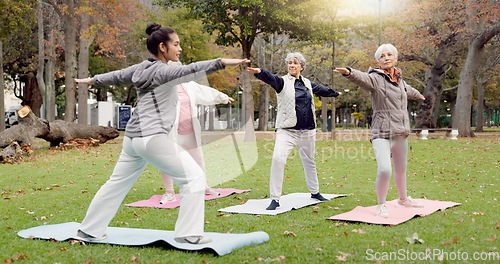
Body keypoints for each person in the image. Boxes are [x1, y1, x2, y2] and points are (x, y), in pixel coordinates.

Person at [74, 22, 250, 244]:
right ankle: (189, 234)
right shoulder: (165, 71)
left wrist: (92, 80)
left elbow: (118, 76)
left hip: (132, 139)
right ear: (162, 47)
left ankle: (89, 230)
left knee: (116, 183)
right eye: (176, 44)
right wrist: (221, 62)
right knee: (194, 178)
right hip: (153, 137)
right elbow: (192, 69)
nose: (180, 48)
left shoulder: (140, 68)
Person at [333, 43, 425, 218]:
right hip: (381, 132)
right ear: (378, 61)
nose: (386, 57)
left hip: (400, 132)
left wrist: (418, 94)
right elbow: (363, 78)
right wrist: (349, 72)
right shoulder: (375, 78)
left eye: (390, 54)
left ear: (396, 58)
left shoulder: (400, 79)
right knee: (385, 169)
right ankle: (381, 204)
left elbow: (407, 89)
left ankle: (403, 199)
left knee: (400, 170)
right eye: (382, 56)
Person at [247, 52, 341, 210]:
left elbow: (321, 90)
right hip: (287, 131)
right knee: (278, 159)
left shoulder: (308, 84)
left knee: (309, 161)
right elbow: (271, 78)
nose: (291, 65)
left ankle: (315, 192)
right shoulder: (282, 83)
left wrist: (335, 93)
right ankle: (275, 199)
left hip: (308, 131)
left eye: (295, 63)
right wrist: (260, 73)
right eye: (289, 63)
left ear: (301, 67)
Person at [159, 60, 234, 204]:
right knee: (166, 161)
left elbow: (206, 93)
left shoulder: (189, 86)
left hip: (190, 132)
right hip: (171, 133)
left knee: (198, 160)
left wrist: (223, 98)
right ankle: (169, 193)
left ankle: (204, 187)